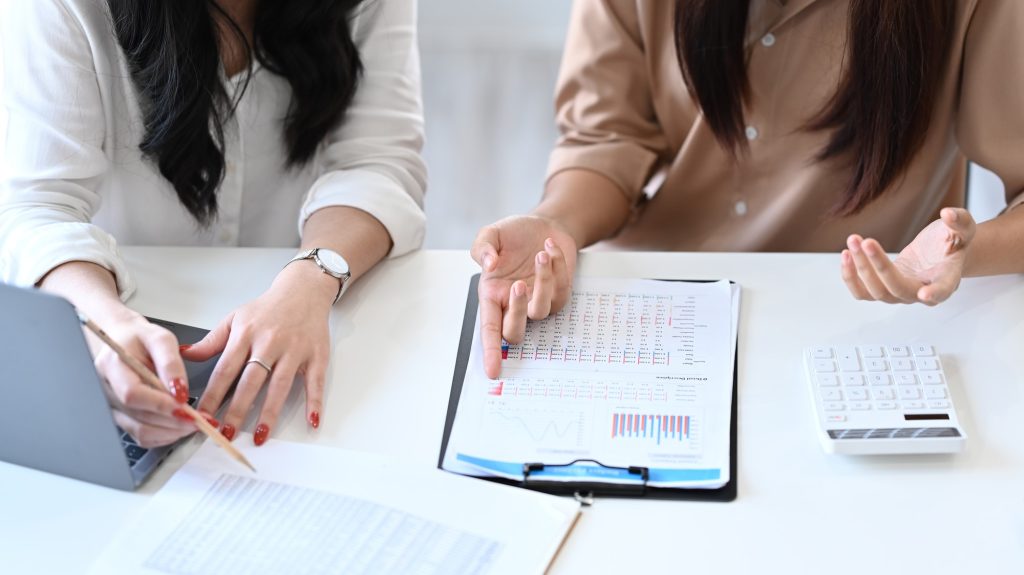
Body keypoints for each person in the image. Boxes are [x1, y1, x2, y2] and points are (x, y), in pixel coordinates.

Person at [472, 0, 1024, 379]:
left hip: (856, 327)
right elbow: (607, 139)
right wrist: (558, 225)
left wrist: (966, 254)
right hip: (657, 308)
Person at [0, 0, 426, 446]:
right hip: (121, 310)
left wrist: (309, 283)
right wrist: (102, 326)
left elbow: (379, 161)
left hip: (306, 316)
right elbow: (39, 205)